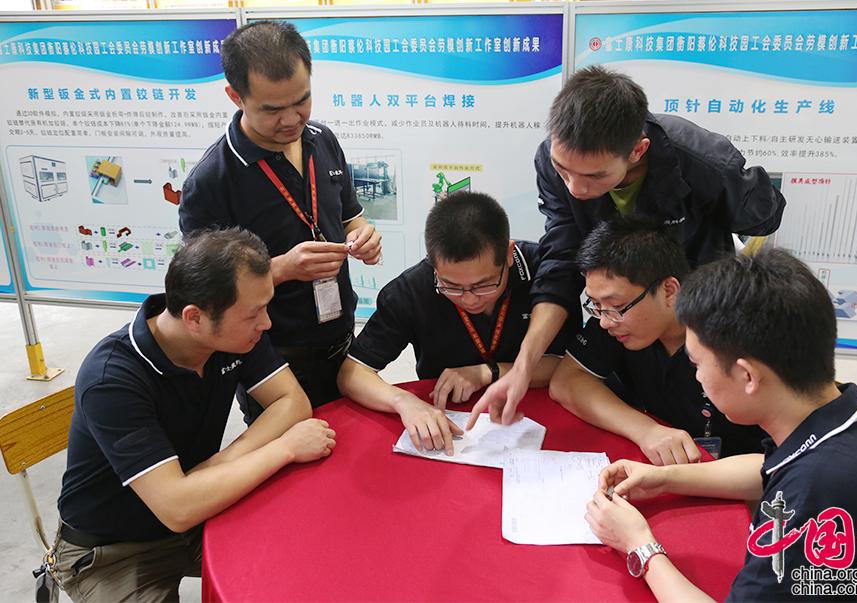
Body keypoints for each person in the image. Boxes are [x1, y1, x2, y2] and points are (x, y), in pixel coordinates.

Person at [468, 65, 786, 430]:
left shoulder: (700, 161)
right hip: (632, 309)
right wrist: (523, 368)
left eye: (595, 176)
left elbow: (764, 217)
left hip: (697, 314)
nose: (574, 188)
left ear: (637, 150)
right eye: (563, 170)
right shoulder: (554, 163)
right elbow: (561, 263)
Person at [585, 249, 857, 601]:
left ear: (747, 376)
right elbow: (768, 467)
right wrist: (664, 478)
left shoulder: (815, 495)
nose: (697, 377)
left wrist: (639, 546)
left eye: (697, 364)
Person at [52, 228, 336, 602]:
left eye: (266, 306)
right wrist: (284, 448)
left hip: (204, 509)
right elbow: (177, 508)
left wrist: (217, 466)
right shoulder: (113, 378)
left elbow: (292, 402)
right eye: (254, 313)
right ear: (194, 318)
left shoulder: (234, 333)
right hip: (113, 551)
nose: (266, 323)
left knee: (310, 558)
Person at [179, 20, 382, 423]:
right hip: (270, 356)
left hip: (341, 337)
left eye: (302, 101)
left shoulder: (322, 139)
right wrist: (284, 268)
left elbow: (351, 217)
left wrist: (364, 236)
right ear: (235, 96)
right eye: (272, 109)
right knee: (295, 453)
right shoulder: (211, 181)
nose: (291, 119)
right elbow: (206, 293)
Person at [337, 192, 580, 454]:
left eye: (484, 285)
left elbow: (568, 367)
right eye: (451, 286)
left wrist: (487, 372)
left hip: (540, 416)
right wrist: (403, 401)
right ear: (434, 264)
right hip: (452, 427)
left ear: (508, 254)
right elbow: (352, 373)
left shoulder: (547, 274)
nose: (470, 299)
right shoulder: (411, 291)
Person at [550, 217, 765, 464]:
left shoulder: (736, 334)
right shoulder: (616, 320)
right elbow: (566, 380)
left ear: (669, 290)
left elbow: (787, 452)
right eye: (595, 304)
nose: (605, 322)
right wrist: (645, 430)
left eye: (616, 305)